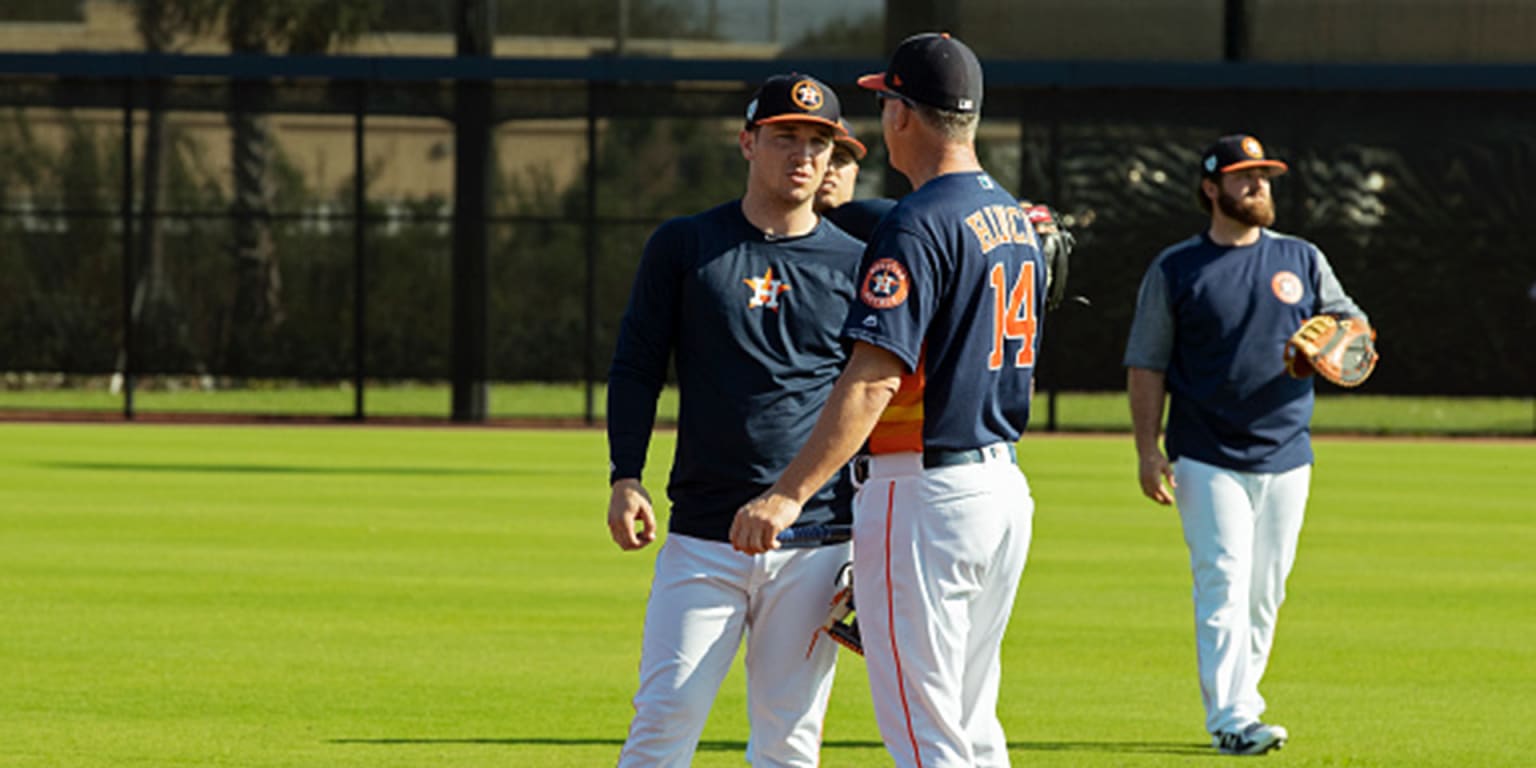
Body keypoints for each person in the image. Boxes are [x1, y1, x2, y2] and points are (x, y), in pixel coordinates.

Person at [730, 33, 1045, 768]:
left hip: (926, 494)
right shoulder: (1015, 219)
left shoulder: (917, 221)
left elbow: (873, 380)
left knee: (924, 729)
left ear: (905, 115)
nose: (881, 118)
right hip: (1000, 488)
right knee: (970, 722)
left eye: (885, 102)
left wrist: (788, 495)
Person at [604, 73, 864, 767]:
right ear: (748, 142)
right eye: (785, 137)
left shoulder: (856, 263)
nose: (803, 155)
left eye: (819, 142)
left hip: (814, 541)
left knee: (788, 742)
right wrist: (625, 474)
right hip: (703, 535)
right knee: (662, 721)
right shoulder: (687, 246)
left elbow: (871, 403)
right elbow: (636, 365)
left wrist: (869, 536)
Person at [1123, 133, 1371, 756]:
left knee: (1266, 590)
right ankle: (1232, 718)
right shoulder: (1177, 268)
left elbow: (1357, 328)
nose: (1260, 186)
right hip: (1206, 453)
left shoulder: (1302, 259)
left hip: (1288, 452)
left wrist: (1334, 345)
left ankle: (1244, 702)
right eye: (1245, 177)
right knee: (1223, 579)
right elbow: (1146, 363)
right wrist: (1147, 450)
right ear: (1212, 188)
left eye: (1264, 176)